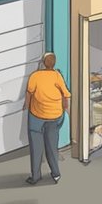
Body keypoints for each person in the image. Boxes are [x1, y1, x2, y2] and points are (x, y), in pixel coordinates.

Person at [24, 52, 70, 185]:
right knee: (52, 146)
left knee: (36, 147)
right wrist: (64, 110)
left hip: (36, 116)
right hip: (54, 115)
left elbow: (29, 94)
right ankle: (55, 174)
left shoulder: (35, 76)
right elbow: (65, 94)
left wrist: (28, 107)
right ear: (54, 63)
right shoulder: (57, 76)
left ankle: (36, 176)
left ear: (43, 63)